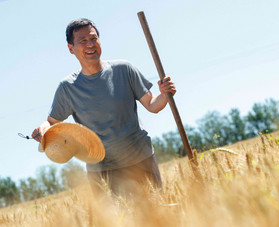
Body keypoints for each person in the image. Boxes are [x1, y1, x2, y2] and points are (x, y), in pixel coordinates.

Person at [31, 18, 176, 197]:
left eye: (93, 38)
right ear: (71, 48)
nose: (90, 44)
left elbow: (152, 105)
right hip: (103, 173)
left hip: (141, 160)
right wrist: (42, 129)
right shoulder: (67, 88)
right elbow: (51, 122)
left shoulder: (124, 69)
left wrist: (164, 94)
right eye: (83, 41)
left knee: (157, 219)